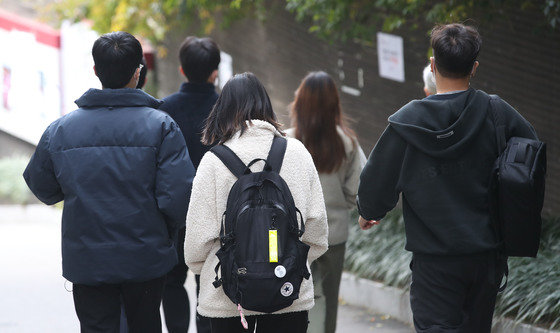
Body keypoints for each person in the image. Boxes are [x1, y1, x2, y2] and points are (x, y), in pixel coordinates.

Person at [357, 23, 538, 333]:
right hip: (485, 257)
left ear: (432, 64)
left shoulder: (406, 123)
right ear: (474, 67)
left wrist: (369, 213)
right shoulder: (498, 113)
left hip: (435, 262)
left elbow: (375, 185)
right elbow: (529, 158)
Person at [23, 31, 195, 332]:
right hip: (146, 260)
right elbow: (178, 199)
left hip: (88, 262)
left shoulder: (62, 130)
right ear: (137, 73)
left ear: (95, 71)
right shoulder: (162, 127)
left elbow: (43, 188)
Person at [184, 72, 328, 333]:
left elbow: (196, 246)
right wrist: (283, 264)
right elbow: (317, 235)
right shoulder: (297, 153)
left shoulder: (213, 162)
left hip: (227, 300)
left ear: (222, 110)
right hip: (288, 295)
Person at [286, 71, 365, 333]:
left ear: (300, 102)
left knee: (293, 301)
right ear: (335, 104)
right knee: (330, 302)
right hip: (334, 235)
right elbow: (358, 191)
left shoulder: (284, 142)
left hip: (295, 236)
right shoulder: (347, 142)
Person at [158, 36, 220, 333]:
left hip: (174, 212)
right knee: (210, 280)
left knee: (172, 281)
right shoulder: (228, 110)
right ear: (215, 72)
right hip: (218, 212)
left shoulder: (163, 110)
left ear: (182, 70)